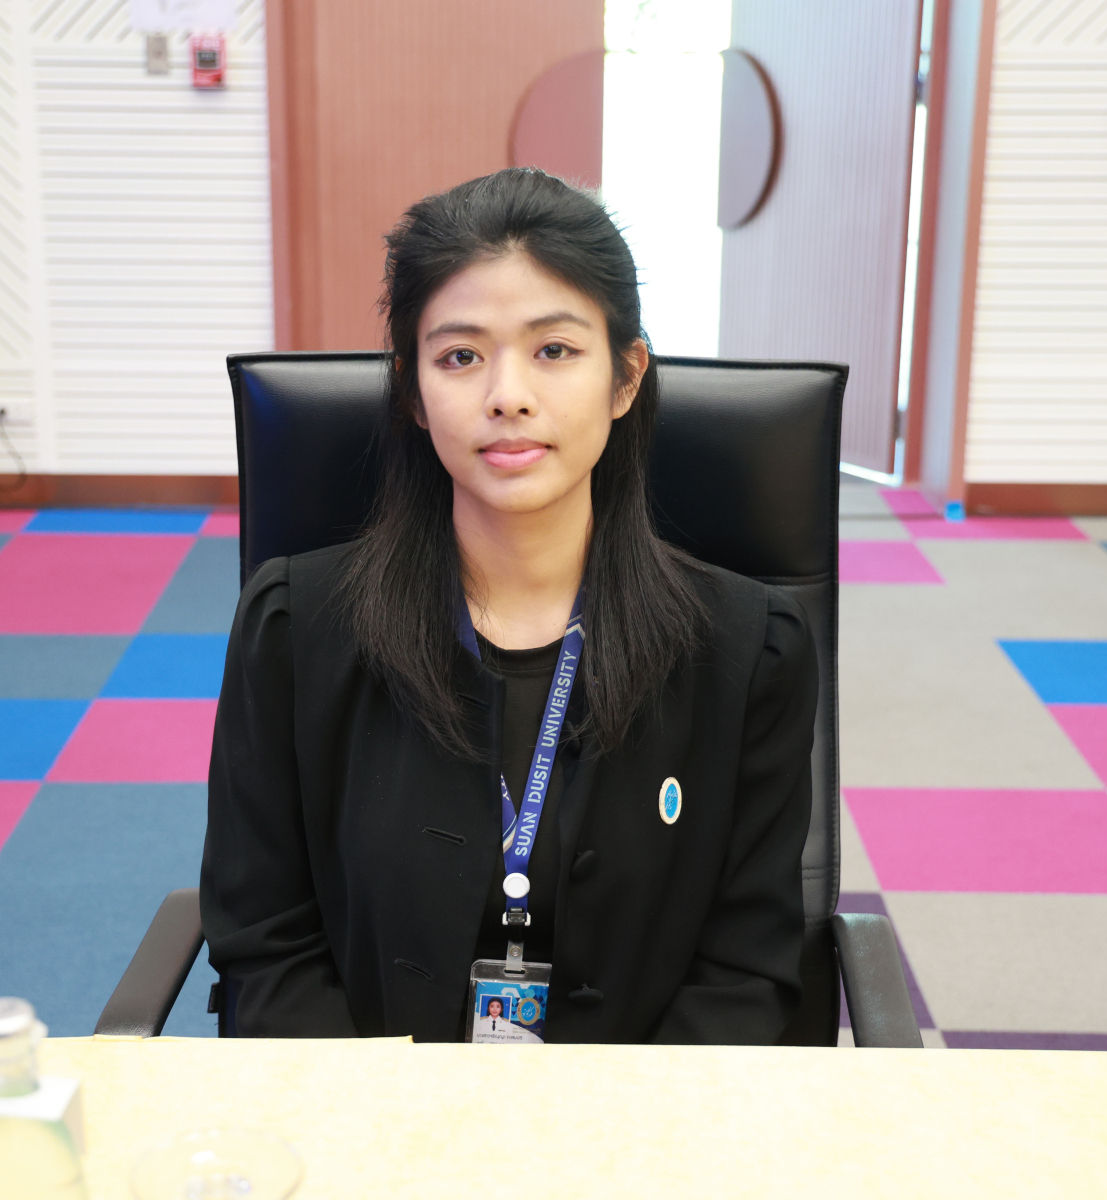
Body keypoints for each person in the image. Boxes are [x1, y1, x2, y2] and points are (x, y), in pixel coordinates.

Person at [202, 167, 818, 1044]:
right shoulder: (295, 630)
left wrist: (625, 1129)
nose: (508, 395)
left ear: (625, 377)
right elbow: (266, 947)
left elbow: (746, 970)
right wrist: (376, 1119)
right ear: (413, 393)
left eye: (554, 351)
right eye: (460, 356)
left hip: (652, 1118)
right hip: (365, 1113)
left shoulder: (748, 650)